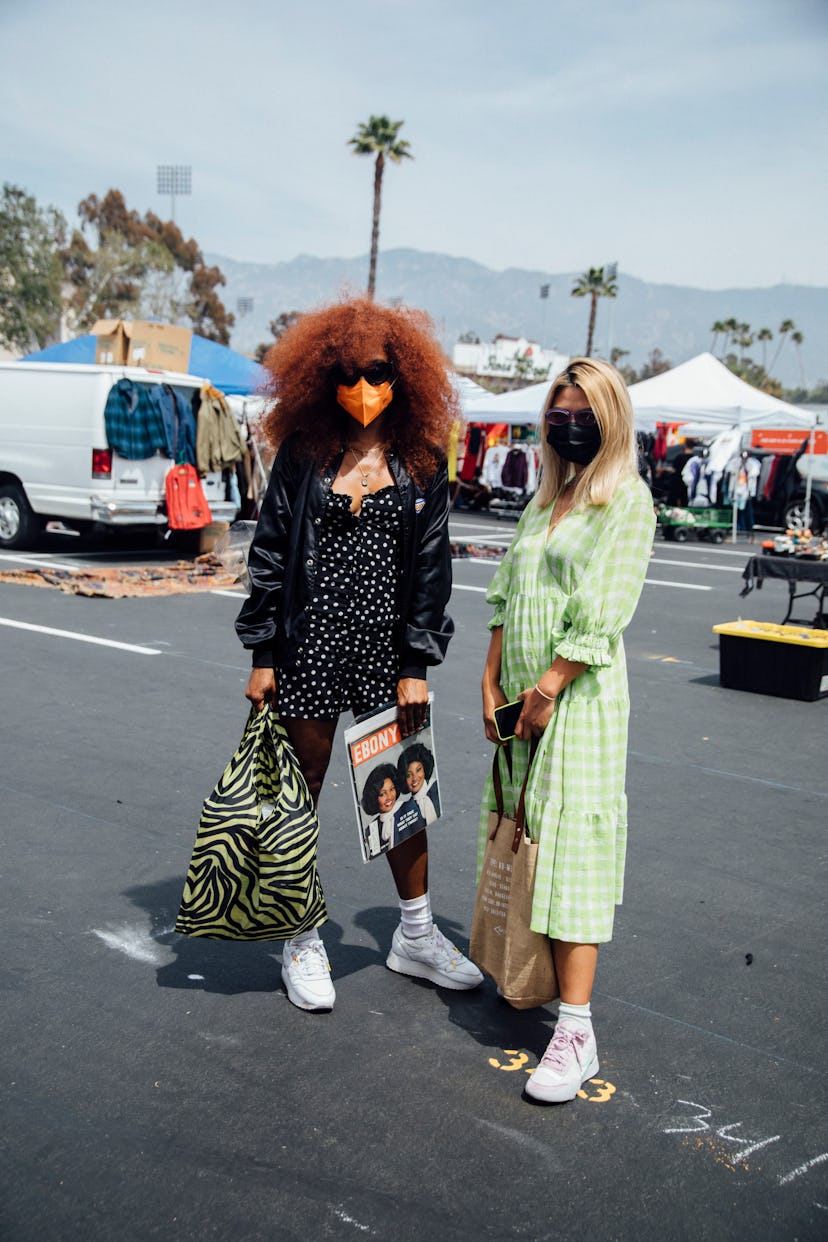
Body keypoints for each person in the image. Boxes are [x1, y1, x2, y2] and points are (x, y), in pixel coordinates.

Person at [236, 296, 483, 1012]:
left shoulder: (422, 463)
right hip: (307, 644)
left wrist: (416, 664)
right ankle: (300, 939)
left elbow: (432, 569)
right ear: (323, 377)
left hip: (384, 653)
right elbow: (271, 553)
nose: (365, 387)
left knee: (403, 792)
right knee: (299, 790)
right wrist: (262, 653)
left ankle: (415, 935)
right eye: (349, 373)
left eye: (378, 372)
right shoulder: (304, 456)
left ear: (405, 376)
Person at [480, 358, 656, 1103]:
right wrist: (491, 680)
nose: (569, 419)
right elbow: (507, 590)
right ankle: (531, 981)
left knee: (567, 852)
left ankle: (577, 1032)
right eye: (560, 407)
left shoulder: (626, 501)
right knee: (525, 841)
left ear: (611, 418)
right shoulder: (545, 496)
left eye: (584, 408)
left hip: (573, 706)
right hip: (522, 702)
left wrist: (549, 686)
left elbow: (605, 607)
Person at [361, 764, 426, 857]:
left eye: (392, 789)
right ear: (374, 798)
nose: (390, 797)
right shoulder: (372, 829)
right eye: (383, 794)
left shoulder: (408, 807)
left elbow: (419, 844)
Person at [397, 743, 439, 824]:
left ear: (425, 768)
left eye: (418, 770)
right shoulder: (406, 809)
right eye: (408, 775)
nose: (415, 778)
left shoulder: (437, 788)